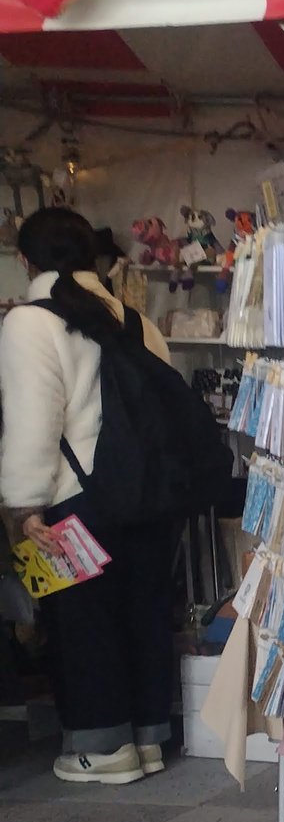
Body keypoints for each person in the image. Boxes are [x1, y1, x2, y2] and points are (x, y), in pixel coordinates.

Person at [0, 208, 178, 784]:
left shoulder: (29, 323)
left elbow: (33, 421)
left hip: (74, 502)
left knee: (83, 625)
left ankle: (103, 751)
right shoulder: (135, 320)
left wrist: (24, 507)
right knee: (144, 616)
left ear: (25, 260)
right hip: (147, 498)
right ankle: (149, 739)